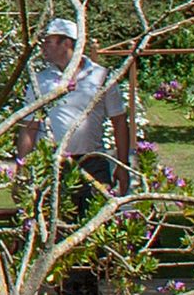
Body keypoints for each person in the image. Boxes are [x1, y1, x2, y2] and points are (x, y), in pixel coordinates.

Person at [19, 13, 138, 208]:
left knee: (94, 217)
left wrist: (123, 165)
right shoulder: (40, 81)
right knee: (54, 219)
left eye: (48, 42)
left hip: (93, 162)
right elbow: (30, 127)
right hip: (51, 163)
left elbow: (119, 121)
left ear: (66, 43)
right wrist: (22, 169)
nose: (43, 48)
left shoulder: (101, 76)